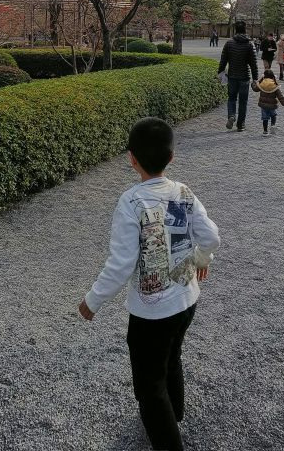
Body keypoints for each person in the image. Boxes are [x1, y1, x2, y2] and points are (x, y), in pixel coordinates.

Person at [79, 118, 220, 451]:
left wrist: (92, 301)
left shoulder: (131, 202)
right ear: (171, 157)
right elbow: (211, 236)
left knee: (149, 384)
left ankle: (168, 438)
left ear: (131, 158)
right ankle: (176, 414)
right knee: (172, 357)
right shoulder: (183, 191)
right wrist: (201, 259)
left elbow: (121, 264)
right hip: (187, 299)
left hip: (151, 312)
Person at [217, 19, 259, 132]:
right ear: (245, 29)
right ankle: (241, 125)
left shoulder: (229, 43)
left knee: (231, 98)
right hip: (245, 76)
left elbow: (223, 60)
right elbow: (253, 64)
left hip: (232, 76)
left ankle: (231, 116)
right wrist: (256, 78)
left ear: (235, 29)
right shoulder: (250, 44)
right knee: (243, 101)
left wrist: (220, 73)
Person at [252, 69, 284, 136]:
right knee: (273, 115)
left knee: (265, 118)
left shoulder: (262, 84)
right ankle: (272, 125)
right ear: (272, 76)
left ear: (264, 76)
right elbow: (280, 96)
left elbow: (255, 88)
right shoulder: (274, 84)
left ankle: (265, 131)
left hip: (263, 105)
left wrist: (254, 82)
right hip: (272, 105)